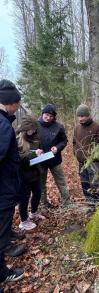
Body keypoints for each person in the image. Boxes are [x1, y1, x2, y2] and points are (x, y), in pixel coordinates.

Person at [0, 79, 25, 283]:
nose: (18, 106)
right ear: (10, 102)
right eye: (17, 102)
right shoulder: (3, 126)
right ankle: (3, 275)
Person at [72, 104, 99, 209]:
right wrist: (76, 152)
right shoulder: (77, 128)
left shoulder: (97, 127)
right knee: (85, 184)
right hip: (81, 163)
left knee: (95, 184)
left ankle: (97, 205)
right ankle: (90, 205)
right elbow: (74, 142)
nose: (81, 118)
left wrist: (93, 155)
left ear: (87, 115)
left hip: (93, 162)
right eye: (79, 116)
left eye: (83, 116)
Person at [16, 114, 45, 230]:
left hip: (35, 172)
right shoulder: (18, 139)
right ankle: (24, 220)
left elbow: (39, 149)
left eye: (34, 129)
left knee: (37, 192)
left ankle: (33, 212)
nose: (32, 131)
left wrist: (41, 153)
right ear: (24, 128)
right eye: (30, 129)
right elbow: (18, 157)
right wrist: (33, 154)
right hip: (23, 174)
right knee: (24, 197)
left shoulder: (36, 137)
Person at [38, 104, 70, 209]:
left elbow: (64, 141)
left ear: (54, 117)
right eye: (46, 115)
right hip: (40, 160)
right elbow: (28, 140)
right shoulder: (35, 125)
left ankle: (67, 203)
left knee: (61, 182)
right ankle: (44, 204)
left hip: (55, 160)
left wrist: (57, 147)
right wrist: (36, 150)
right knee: (41, 184)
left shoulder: (58, 127)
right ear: (43, 114)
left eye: (51, 116)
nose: (48, 118)